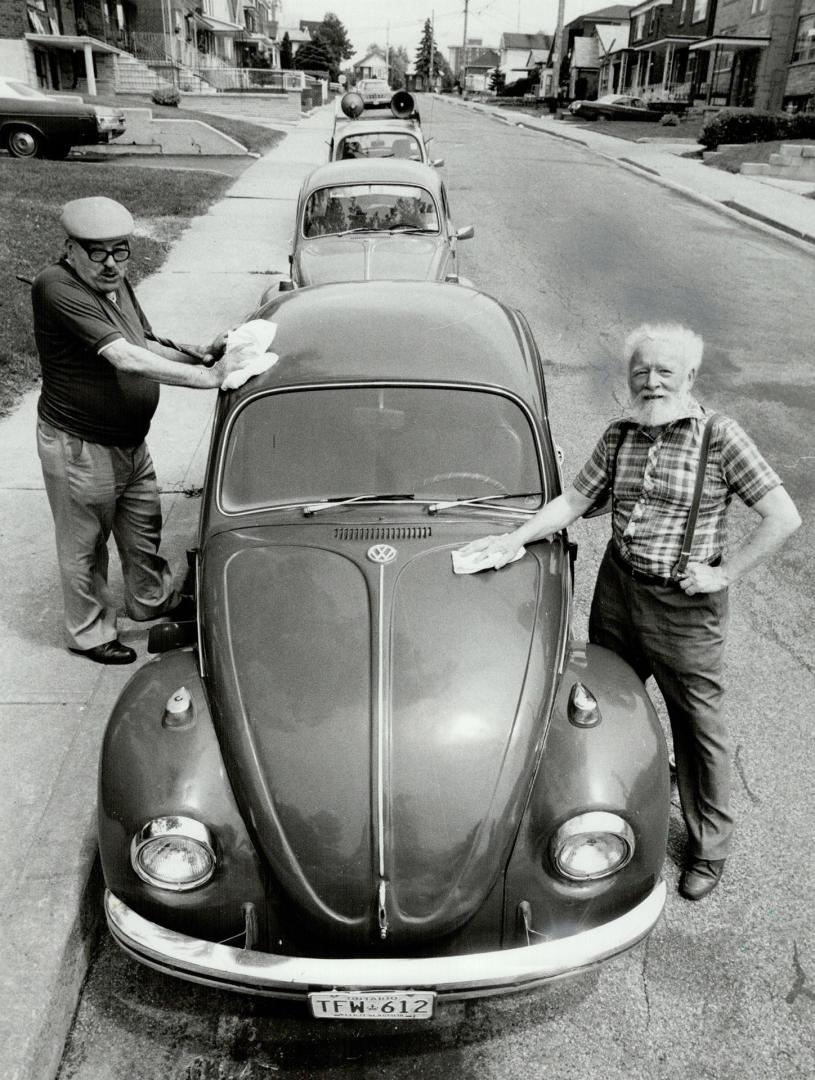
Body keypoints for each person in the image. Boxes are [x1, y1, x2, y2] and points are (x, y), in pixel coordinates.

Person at [460, 323, 801, 901]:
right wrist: (515, 538)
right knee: (601, 702)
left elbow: (783, 516)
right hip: (619, 590)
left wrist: (724, 572)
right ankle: (599, 813)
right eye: (640, 371)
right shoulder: (622, 433)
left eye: (665, 371)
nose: (651, 382)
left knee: (698, 727)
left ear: (690, 377)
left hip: (684, 607)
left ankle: (708, 849)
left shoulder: (720, 436)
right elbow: (573, 500)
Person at [32, 196, 249, 665]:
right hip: (80, 446)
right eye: (97, 252)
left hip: (130, 442)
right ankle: (89, 633)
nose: (111, 263)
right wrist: (207, 378)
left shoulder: (117, 284)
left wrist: (199, 353)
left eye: (120, 250)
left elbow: (144, 343)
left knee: (143, 527)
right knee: (84, 544)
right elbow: (123, 357)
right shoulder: (57, 288)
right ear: (70, 249)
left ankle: (151, 602)